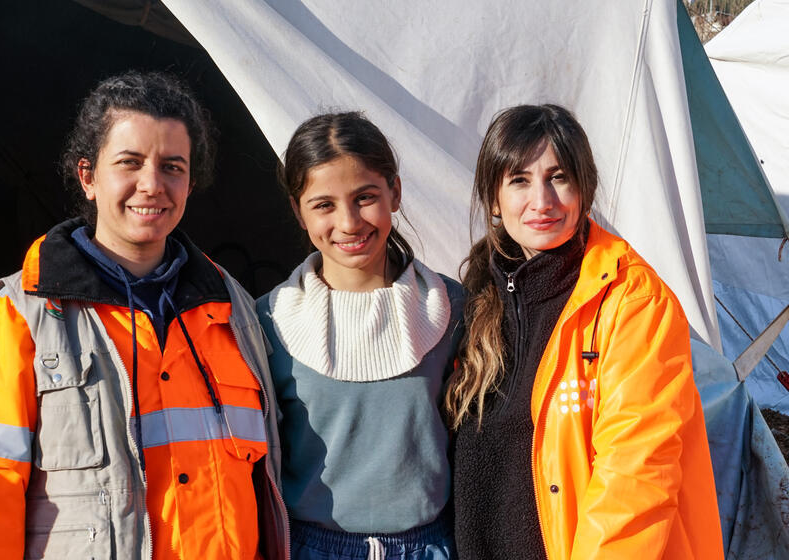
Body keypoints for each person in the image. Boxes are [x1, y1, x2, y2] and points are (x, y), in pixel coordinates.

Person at [0, 71, 286, 559]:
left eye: (172, 167)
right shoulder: (18, 317)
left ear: (191, 183)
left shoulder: (233, 308)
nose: (151, 185)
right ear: (88, 177)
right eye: (129, 163)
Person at [446, 104, 723, 559]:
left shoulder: (632, 302)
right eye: (519, 180)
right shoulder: (475, 298)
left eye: (559, 178)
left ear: (584, 188)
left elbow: (636, 476)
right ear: (494, 199)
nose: (542, 200)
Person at [256, 112, 464, 560]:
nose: (349, 222)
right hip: (312, 548)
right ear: (298, 210)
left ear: (395, 192)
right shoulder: (268, 321)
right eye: (324, 205)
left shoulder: (451, 307)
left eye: (365, 197)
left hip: (430, 547)